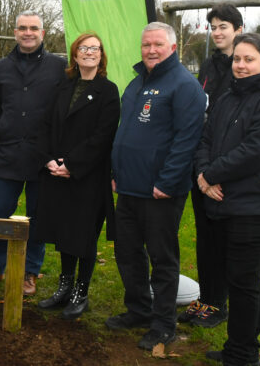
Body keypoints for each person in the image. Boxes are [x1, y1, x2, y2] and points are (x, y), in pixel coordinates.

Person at [106, 22, 206, 351]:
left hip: (160, 191)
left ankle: (164, 323)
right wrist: (116, 170)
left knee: (162, 259)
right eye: (146, 44)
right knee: (127, 252)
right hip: (129, 188)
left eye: (158, 44)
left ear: (173, 48)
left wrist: (168, 181)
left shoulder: (184, 85)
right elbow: (125, 134)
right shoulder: (136, 85)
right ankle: (139, 309)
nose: (151, 49)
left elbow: (186, 140)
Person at [196, 33, 260, 366]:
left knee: (243, 281)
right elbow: (206, 138)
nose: (240, 65)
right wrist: (203, 173)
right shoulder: (226, 97)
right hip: (224, 202)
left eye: (248, 59)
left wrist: (211, 175)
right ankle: (237, 347)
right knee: (235, 279)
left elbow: (254, 152)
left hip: (256, 206)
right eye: (237, 59)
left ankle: (243, 354)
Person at [0, 11, 66, 296]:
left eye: (33, 28)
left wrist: (59, 152)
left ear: (43, 32)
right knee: (0, 213)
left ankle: (30, 271)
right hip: (7, 153)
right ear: (15, 32)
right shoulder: (2, 66)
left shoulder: (59, 67)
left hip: (44, 157)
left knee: (37, 217)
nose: (28, 33)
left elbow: (64, 114)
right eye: (22, 28)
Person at [33, 33, 120, 319]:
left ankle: (80, 293)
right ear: (75, 54)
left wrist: (72, 164)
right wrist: (49, 160)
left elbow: (102, 136)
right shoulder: (63, 86)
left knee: (83, 236)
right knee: (64, 233)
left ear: (101, 54)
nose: (89, 53)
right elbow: (45, 125)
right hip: (57, 173)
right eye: (84, 48)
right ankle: (64, 287)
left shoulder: (108, 91)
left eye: (95, 48)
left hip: (87, 177)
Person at [179, 4, 243, 328]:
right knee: (204, 236)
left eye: (224, 27)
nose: (217, 32)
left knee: (222, 238)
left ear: (238, 30)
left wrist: (215, 172)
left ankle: (220, 304)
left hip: (224, 169)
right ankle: (206, 299)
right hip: (200, 163)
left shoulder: (242, 67)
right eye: (214, 27)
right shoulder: (208, 64)